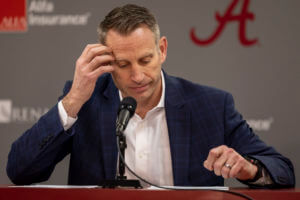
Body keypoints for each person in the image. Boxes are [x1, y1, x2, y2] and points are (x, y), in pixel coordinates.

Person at [7, 4, 295, 188]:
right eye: (122, 64)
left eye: (145, 60)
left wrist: (248, 169)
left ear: (163, 50)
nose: (136, 76)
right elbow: (20, 171)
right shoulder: (87, 102)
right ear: (107, 61)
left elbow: (282, 171)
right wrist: (72, 101)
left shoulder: (211, 105)